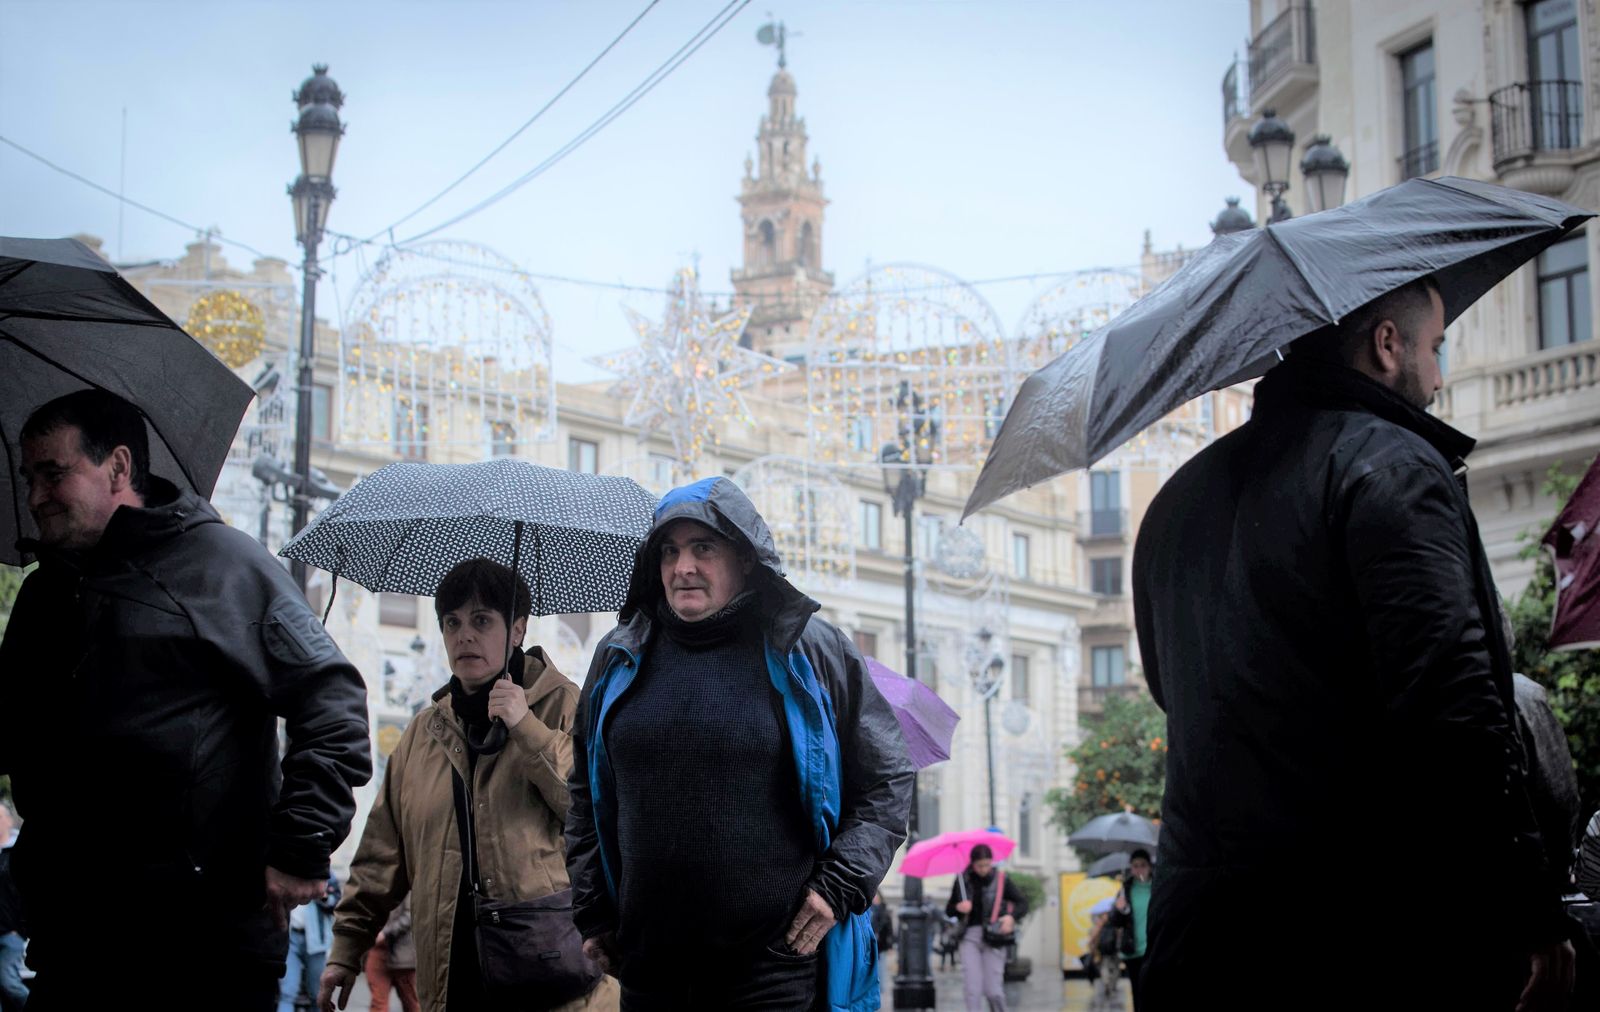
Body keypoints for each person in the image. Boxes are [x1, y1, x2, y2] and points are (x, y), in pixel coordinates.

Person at [1132, 278, 1575, 1011]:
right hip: (1357, 938)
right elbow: (1454, 709)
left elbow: (1168, 690)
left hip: (1198, 942)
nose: (1439, 377)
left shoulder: (1173, 503)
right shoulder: (1392, 465)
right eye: (1435, 349)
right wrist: (1528, 904)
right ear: (1387, 344)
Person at [0, 389, 372, 1010]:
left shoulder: (221, 566)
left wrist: (301, 845)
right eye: (28, 477)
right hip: (71, 941)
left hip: (201, 948)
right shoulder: (44, 596)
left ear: (118, 467)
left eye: (54, 473)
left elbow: (332, 700)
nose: (36, 496)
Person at [566, 477, 913, 1011]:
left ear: (746, 558)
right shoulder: (619, 655)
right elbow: (584, 796)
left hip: (773, 973)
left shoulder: (807, 649)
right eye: (669, 551)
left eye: (703, 548)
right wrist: (593, 912)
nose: (683, 567)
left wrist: (838, 887)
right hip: (649, 971)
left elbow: (886, 777)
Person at [319, 557, 618, 1012]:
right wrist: (346, 950)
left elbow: (592, 808)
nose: (465, 636)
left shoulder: (564, 705)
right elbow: (382, 855)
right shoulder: (424, 734)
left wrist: (525, 727)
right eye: (452, 623)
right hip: (451, 982)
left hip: (551, 980)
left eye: (482, 620)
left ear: (517, 629)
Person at [944, 843, 1029, 1012]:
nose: (983, 869)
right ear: (973, 864)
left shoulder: (1001, 880)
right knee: (972, 990)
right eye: (979, 865)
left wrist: (1011, 917)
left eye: (987, 864)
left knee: (993, 991)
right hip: (969, 937)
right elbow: (949, 910)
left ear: (992, 862)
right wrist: (959, 908)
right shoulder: (963, 880)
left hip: (994, 938)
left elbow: (1022, 903)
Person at [281, 873, 341, 1012]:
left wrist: (323, 896)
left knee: (317, 994)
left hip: (316, 941)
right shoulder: (287, 871)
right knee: (287, 993)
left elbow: (336, 904)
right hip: (291, 938)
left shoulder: (327, 876)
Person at [364, 895, 419, 1012]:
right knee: (378, 1003)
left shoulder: (407, 888)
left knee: (411, 1002)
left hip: (403, 954)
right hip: (377, 950)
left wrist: (385, 933)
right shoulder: (373, 887)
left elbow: (410, 914)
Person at [1113, 850, 1153, 1009]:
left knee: (1155, 992)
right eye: (1135, 866)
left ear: (1150, 867)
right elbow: (1115, 922)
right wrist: (1120, 909)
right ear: (1131, 868)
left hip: (1154, 950)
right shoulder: (1125, 890)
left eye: (1143, 865)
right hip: (1133, 952)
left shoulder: (1158, 887)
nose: (1139, 869)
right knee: (1138, 993)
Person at [0, 801, 26, 1012]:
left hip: (11, 932)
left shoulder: (19, 850)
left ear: (9, 820)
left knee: (8, 982)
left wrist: (21, 929)